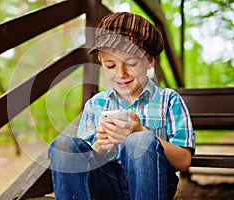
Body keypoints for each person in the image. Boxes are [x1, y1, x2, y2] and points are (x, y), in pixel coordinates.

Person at [48, 12, 195, 200]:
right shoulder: (95, 104)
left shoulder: (169, 100)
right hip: (105, 185)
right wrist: (99, 147)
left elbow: (184, 161)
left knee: (139, 141)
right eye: (110, 66)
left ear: (149, 61)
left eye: (131, 63)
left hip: (152, 184)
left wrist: (140, 132)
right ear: (101, 64)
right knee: (64, 145)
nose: (121, 73)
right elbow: (89, 164)